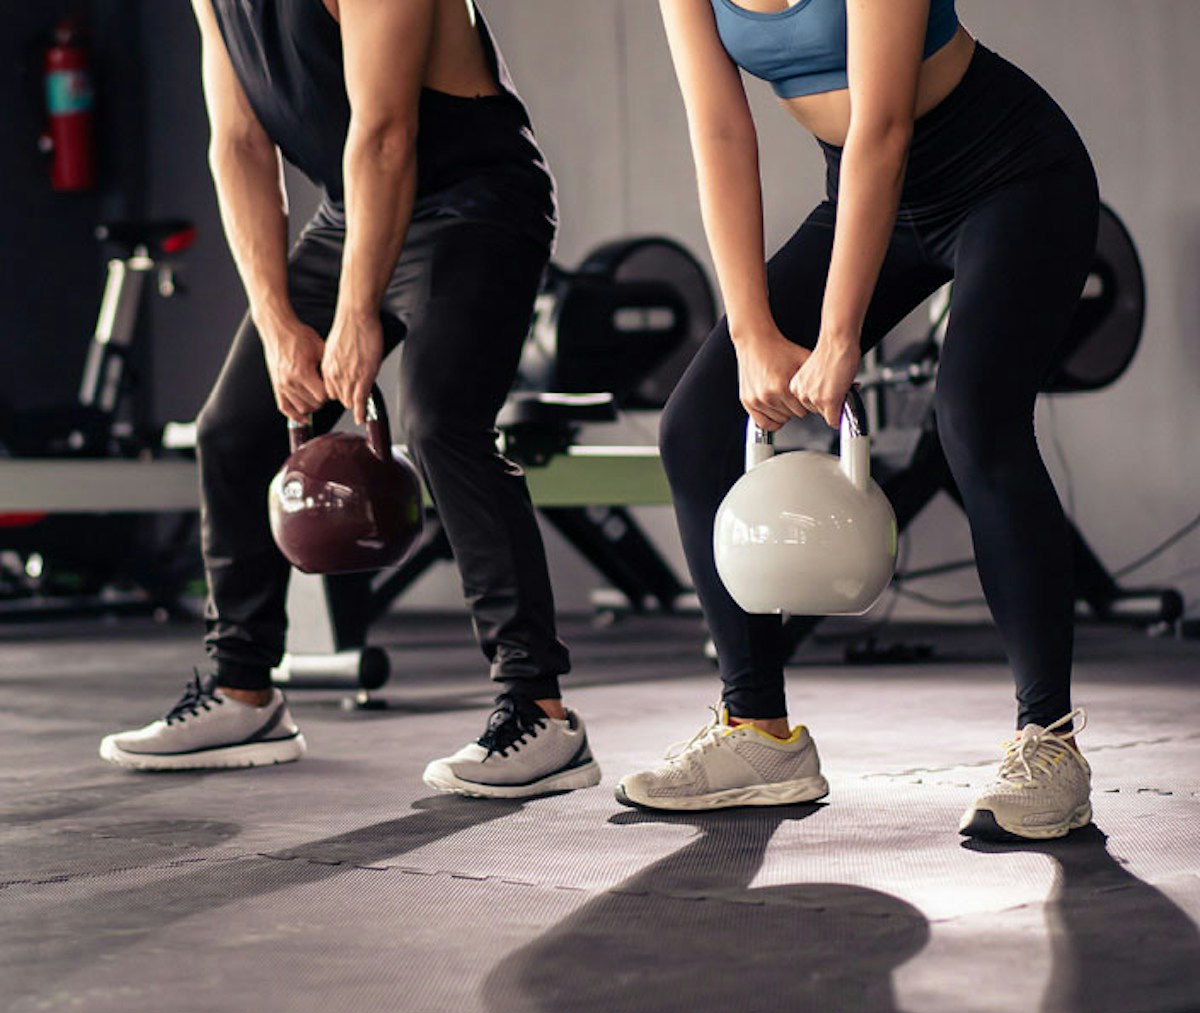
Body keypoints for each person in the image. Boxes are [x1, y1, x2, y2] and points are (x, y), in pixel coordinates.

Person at [616, 0, 1098, 840]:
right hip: (866, 195)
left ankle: (1048, 742)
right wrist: (750, 330)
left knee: (974, 415)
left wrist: (839, 336)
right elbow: (722, 135)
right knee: (696, 427)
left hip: (1010, 175)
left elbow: (882, 124)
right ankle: (757, 731)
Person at [99, 0, 601, 800]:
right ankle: (243, 691)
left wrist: (356, 311)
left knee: (442, 425)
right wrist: (276, 324)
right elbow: (236, 144)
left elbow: (386, 130)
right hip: (351, 207)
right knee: (231, 430)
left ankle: (539, 710)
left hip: (473, 201)